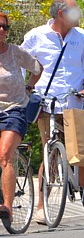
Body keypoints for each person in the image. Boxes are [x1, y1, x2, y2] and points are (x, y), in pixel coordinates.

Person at [22, 0, 84, 224]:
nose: (78, 14)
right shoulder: (36, 36)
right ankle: (42, 207)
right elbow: (22, 64)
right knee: (49, 153)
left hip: (75, 103)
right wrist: (25, 90)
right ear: (60, 14)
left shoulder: (80, 36)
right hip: (47, 103)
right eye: (74, 11)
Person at [0, 12, 43, 220]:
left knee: (5, 154)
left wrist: (28, 87)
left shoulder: (16, 52)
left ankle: (7, 207)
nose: (1, 30)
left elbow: (37, 68)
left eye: (5, 27)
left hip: (14, 109)